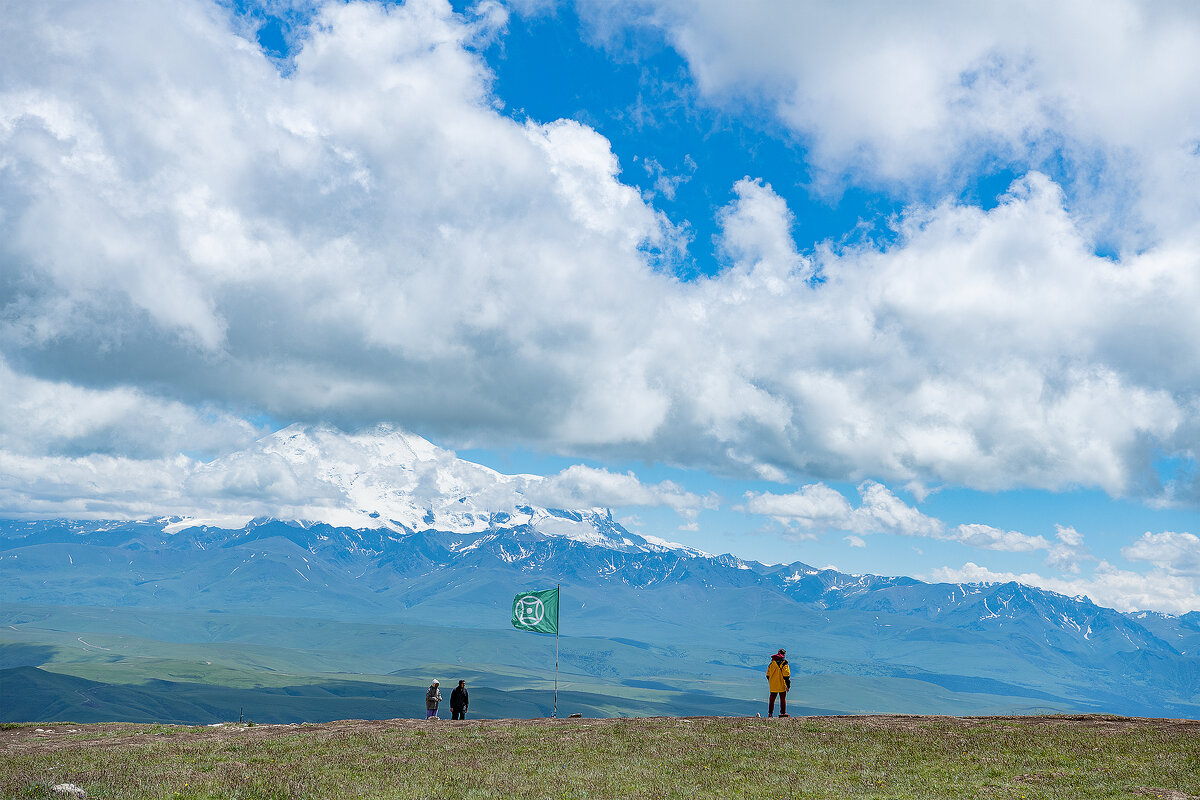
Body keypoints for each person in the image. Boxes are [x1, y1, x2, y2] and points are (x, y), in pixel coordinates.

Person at [766, 648, 791, 718]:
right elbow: (786, 675)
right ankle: (782, 713)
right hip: (781, 684)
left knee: (772, 699)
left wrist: (771, 681)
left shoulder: (772, 663)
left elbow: (767, 674)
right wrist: (788, 685)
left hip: (773, 684)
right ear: (784, 654)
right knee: (782, 699)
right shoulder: (784, 663)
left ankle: (770, 714)